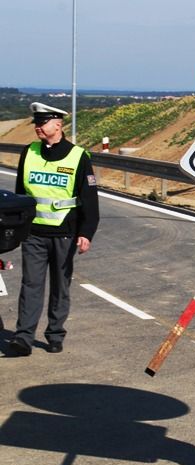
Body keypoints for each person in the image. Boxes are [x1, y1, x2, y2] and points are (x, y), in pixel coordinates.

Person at [8, 102, 99, 357]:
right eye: (36, 123)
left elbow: (90, 200)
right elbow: (19, 195)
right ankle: (23, 338)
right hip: (34, 234)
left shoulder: (78, 156)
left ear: (58, 124)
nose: (37, 127)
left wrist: (86, 233)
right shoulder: (29, 153)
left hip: (65, 233)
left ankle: (55, 333)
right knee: (30, 285)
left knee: (61, 287)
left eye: (42, 122)